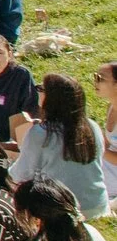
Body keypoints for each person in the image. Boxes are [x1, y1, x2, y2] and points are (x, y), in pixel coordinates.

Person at [10, 73, 110, 219]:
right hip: (97, 206)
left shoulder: (40, 133)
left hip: (62, 210)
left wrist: (6, 166)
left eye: (41, 88)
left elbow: (21, 174)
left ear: (52, 98)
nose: (37, 91)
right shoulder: (92, 126)